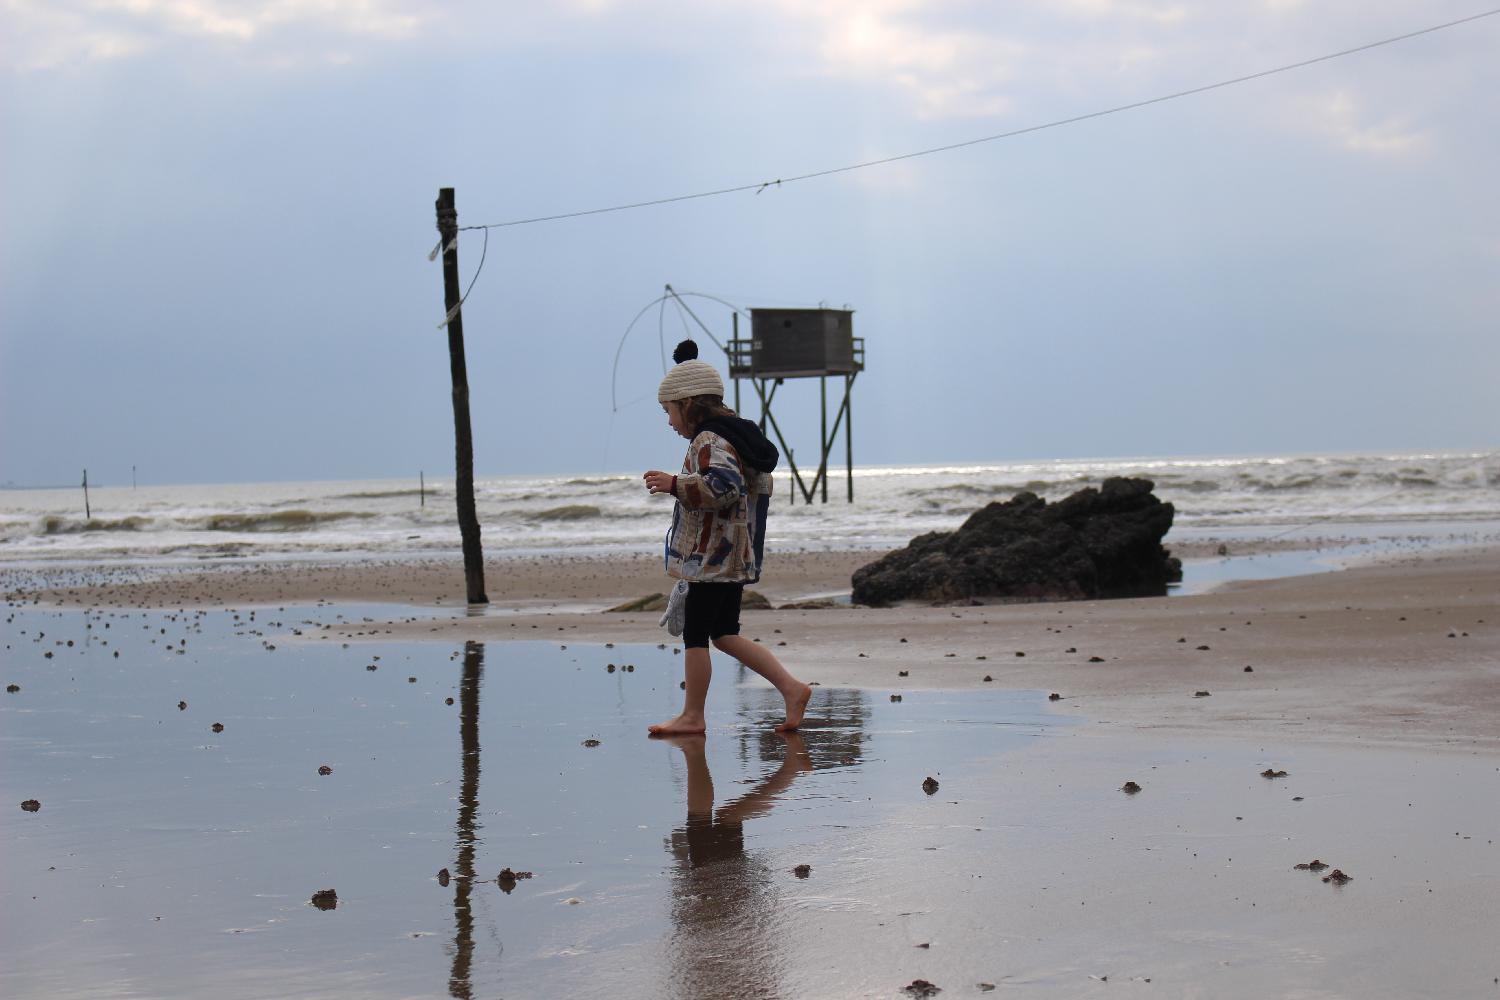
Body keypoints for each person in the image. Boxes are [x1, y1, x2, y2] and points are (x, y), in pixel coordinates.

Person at [643, 340, 813, 735]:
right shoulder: (737, 435)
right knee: (724, 633)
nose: (668, 421)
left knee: (696, 633)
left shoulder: (709, 439)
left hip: (713, 556)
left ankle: (692, 716)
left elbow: (723, 487)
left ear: (687, 403)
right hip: (737, 553)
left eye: (668, 411)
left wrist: (675, 484)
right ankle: (791, 688)